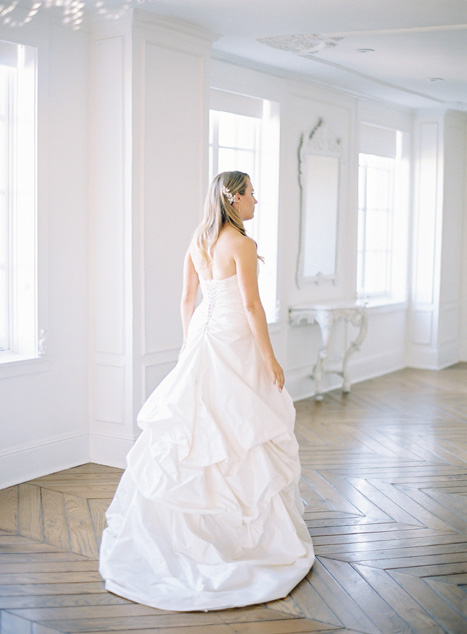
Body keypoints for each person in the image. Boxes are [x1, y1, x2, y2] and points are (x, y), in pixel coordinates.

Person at [99, 170, 315, 612]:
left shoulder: (198, 241)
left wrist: (189, 345)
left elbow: (186, 300)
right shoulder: (242, 244)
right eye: (252, 193)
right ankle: (241, 535)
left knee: (199, 430)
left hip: (203, 336)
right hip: (234, 339)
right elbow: (252, 306)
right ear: (233, 198)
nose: (257, 200)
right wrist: (270, 358)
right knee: (240, 429)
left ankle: (194, 532)